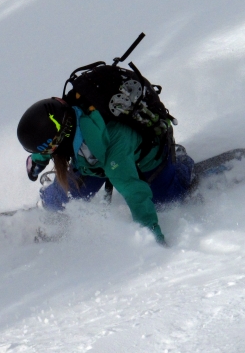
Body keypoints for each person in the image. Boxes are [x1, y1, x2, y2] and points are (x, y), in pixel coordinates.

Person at [16, 96, 194, 246]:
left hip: (145, 156)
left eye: (45, 151)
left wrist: (153, 239)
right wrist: (39, 160)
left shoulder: (113, 148)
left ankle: (180, 163)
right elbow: (51, 135)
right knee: (60, 200)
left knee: (168, 198)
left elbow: (135, 193)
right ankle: (48, 199)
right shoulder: (70, 117)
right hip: (92, 163)